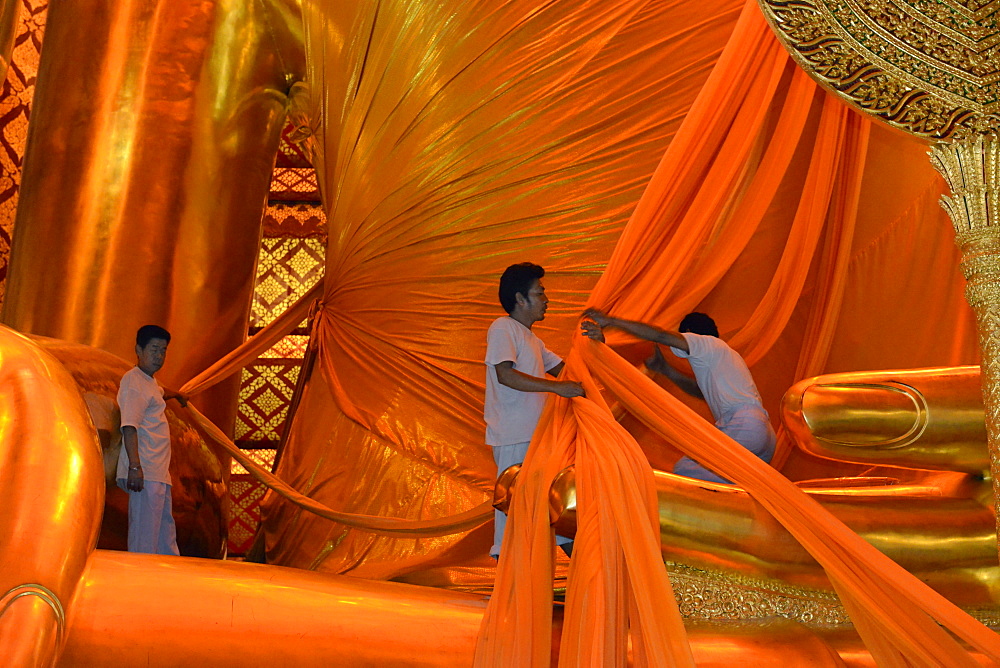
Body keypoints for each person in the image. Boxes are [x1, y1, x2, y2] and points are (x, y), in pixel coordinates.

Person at [581, 309, 775, 484]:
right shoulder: (724, 356)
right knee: (743, 486)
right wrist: (665, 369)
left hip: (743, 426)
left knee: (685, 471)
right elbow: (700, 392)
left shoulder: (705, 344)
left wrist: (612, 322)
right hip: (764, 433)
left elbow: (659, 335)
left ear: (689, 332)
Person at [485, 262, 585, 559]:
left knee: (551, 506)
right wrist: (557, 389)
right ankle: (509, 593)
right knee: (515, 512)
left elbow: (568, 372)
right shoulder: (502, 328)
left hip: (538, 438)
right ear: (520, 298)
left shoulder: (533, 339)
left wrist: (594, 344)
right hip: (514, 436)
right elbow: (505, 374)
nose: (546, 300)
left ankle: (587, 570)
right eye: (539, 293)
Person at [116, 324, 184, 555]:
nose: (159, 355)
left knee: (164, 536)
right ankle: (137, 586)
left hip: (158, 472)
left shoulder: (149, 382)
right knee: (144, 538)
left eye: (163, 350)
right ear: (139, 349)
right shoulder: (133, 382)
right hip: (145, 471)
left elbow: (159, 392)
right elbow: (129, 426)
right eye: (154, 349)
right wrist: (135, 467)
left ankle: (165, 583)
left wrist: (177, 394)